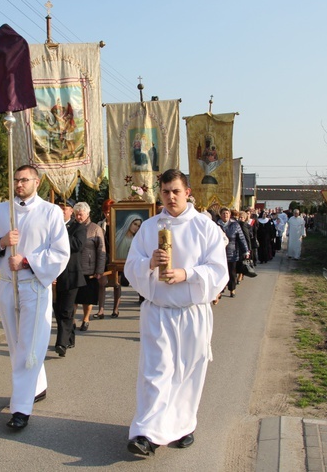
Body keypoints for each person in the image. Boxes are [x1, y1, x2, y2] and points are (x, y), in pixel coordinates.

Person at [124, 169, 228, 457]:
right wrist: (148, 263)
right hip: (158, 312)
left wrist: (186, 273)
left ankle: (183, 426)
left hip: (192, 312)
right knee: (156, 372)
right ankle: (145, 432)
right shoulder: (149, 228)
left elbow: (219, 272)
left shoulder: (205, 228)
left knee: (188, 373)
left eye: (176, 191)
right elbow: (130, 267)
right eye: (166, 191)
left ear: (188, 192)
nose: (170, 197)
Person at [0, 165, 70, 430]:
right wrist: (3, 242)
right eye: (16, 180)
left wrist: (28, 261)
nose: (19, 184)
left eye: (24, 180)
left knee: (29, 346)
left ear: (36, 182)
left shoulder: (50, 212)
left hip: (33, 287)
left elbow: (61, 253)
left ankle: (20, 409)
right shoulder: (1, 211)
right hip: (7, 285)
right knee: (17, 345)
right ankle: (37, 386)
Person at [53, 199, 86, 357]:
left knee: (66, 310)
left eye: (65, 208)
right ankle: (70, 337)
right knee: (58, 310)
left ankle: (61, 343)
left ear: (71, 211)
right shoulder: (51, 227)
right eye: (59, 207)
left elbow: (77, 245)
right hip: (54, 276)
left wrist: (61, 232)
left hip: (71, 275)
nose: (61, 211)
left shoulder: (78, 227)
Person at [72, 202, 107, 327]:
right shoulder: (72, 227)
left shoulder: (95, 229)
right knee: (73, 298)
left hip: (89, 269)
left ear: (87, 213)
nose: (78, 217)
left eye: (80, 214)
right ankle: (72, 321)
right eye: (76, 214)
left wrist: (100, 270)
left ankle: (86, 319)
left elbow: (101, 250)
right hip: (74, 268)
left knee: (87, 298)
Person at [216, 207, 250, 298]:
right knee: (220, 273)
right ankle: (220, 290)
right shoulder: (216, 225)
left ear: (230, 215)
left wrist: (246, 251)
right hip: (219, 253)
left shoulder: (235, 225)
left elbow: (241, 238)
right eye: (223, 213)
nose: (225, 215)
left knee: (232, 273)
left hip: (232, 253)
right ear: (220, 215)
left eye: (227, 213)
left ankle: (232, 289)